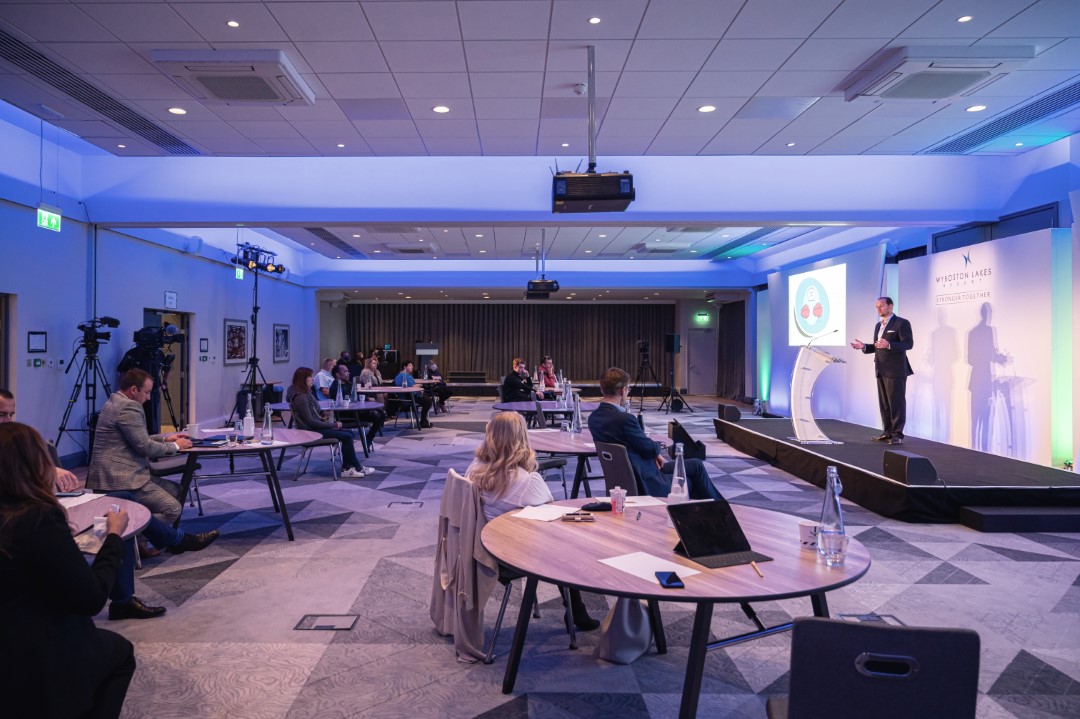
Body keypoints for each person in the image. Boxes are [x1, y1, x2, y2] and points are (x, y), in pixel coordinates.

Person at [0, 422, 137, 718]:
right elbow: (89, 598)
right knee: (120, 653)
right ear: (31, 465)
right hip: (33, 656)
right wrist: (113, 538)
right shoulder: (37, 519)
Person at [466, 412, 598, 631]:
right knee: (567, 545)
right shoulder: (525, 481)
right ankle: (576, 611)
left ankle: (576, 610)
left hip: (486, 546)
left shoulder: (475, 469)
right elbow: (552, 511)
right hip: (515, 555)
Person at [589, 367, 723, 500]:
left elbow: (636, 447)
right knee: (692, 477)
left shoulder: (594, 418)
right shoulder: (625, 420)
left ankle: (710, 512)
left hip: (628, 475)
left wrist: (654, 454)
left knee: (696, 465)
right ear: (623, 390)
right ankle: (721, 510)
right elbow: (650, 448)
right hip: (646, 480)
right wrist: (656, 450)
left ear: (602, 389)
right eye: (628, 389)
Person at [287, 367, 375, 478]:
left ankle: (348, 468)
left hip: (316, 428)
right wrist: (332, 425)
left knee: (349, 434)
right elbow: (310, 421)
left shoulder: (307, 394)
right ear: (303, 379)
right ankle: (356, 467)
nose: (313, 379)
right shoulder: (300, 398)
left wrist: (324, 414)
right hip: (311, 432)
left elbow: (315, 414)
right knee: (347, 436)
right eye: (310, 377)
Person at [851, 296, 914, 445]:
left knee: (896, 403)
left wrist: (889, 344)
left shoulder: (901, 323)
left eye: (882, 306)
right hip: (880, 368)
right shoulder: (878, 326)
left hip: (896, 369)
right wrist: (865, 347)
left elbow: (908, 344)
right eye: (876, 307)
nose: (879, 309)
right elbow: (877, 346)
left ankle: (897, 434)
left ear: (891, 306)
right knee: (884, 403)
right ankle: (887, 432)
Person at [0, 388, 81, 491]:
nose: (8, 420)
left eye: (11, 415)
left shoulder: (13, 441)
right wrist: (45, 471)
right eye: (1, 415)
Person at [328, 362, 386, 448]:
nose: (349, 373)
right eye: (345, 371)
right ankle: (369, 438)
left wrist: (366, 398)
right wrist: (366, 399)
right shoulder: (335, 387)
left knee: (382, 413)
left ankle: (369, 437)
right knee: (377, 415)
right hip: (346, 415)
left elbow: (356, 396)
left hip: (356, 411)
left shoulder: (348, 383)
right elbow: (349, 399)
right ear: (338, 375)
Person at [394, 361, 433, 429]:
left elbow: (413, 385)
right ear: (405, 367)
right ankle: (423, 421)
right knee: (428, 401)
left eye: (412, 365)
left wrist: (417, 386)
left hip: (412, 395)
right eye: (409, 365)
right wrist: (418, 386)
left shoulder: (408, 375)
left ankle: (423, 421)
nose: (412, 367)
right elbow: (411, 387)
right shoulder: (403, 376)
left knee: (427, 397)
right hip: (408, 397)